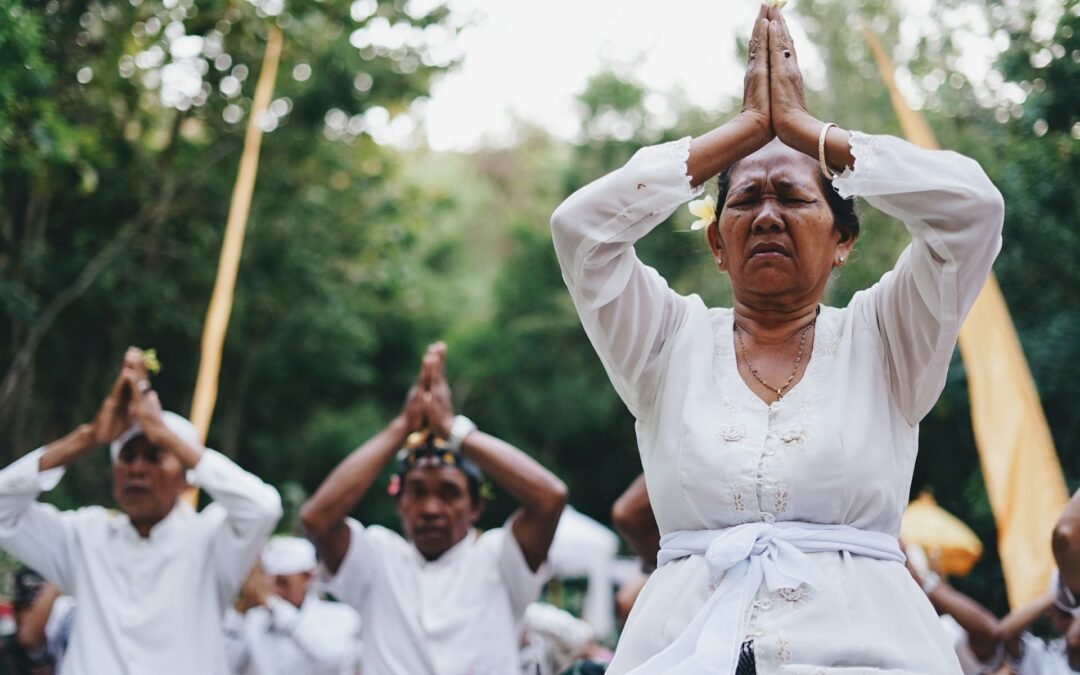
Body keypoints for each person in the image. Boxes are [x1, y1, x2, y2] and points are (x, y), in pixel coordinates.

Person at [550, 3, 1003, 672]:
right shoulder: (666, 342)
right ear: (716, 242)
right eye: (745, 198)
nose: (766, 214)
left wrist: (808, 131)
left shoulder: (888, 337)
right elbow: (580, 231)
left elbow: (975, 210)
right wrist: (738, 133)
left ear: (843, 239)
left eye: (792, 197)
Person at [0, 348, 283, 675]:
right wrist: (88, 437)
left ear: (185, 479)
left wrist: (162, 431)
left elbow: (263, 507)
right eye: (127, 455)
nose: (137, 468)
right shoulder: (85, 536)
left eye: (155, 455)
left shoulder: (211, 541)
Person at [300, 342, 568, 675]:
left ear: (476, 507)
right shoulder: (377, 556)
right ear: (398, 502)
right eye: (416, 492)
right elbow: (317, 517)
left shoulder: (499, 556)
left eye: (449, 493)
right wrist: (401, 427)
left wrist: (453, 430)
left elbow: (550, 498)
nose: (430, 508)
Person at [224, 536, 362, 675]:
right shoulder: (253, 621)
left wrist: (274, 605)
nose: (274, 590)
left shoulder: (342, 616)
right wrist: (240, 609)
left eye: (282, 582)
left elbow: (331, 660)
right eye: (269, 581)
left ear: (308, 577)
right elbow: (226, 666)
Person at [6, 568, 75, 675]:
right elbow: (28, 638)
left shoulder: (63, 613)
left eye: (31, 608)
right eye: (20, 608)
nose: (24, 617)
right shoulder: (18, 647)